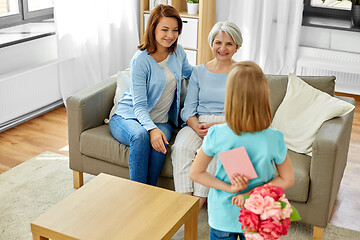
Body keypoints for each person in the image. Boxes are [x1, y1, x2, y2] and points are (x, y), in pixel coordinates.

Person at [189, 61, 294, 240]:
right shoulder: (274, 137)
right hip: (259, 215)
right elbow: (287, 178)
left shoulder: (217, 133)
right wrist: (252, 194)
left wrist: (230, 188)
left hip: (222, 214)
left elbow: (196, 173)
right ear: (264, 96)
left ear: (230, 97)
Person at [109, 4, 193, 186]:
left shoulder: (178, 52)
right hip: (129, 116)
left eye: (175, 30)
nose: (170, 35)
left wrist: (218, 70)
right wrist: (151, 129)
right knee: (140, 136)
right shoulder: (141, 60)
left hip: (162, 121)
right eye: (164, 29)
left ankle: (150, 194)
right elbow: (138, 106)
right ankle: (137, 194)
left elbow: (191, 73)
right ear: (153, 28)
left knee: (159, 146)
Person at [171, 21, 243, 211]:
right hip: (198, 123)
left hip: (227, 124)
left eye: (229, 44)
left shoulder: (243, 74)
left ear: (237, 47)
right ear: (212, 44)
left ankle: (194, 210)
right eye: (218, 42)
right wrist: (195, 125)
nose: (222, 48)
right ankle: (183, 208)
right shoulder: (198, 72)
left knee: (211, 153)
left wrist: (221, 125)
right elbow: (188, 109)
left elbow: (245, 112)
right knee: (181, 147)